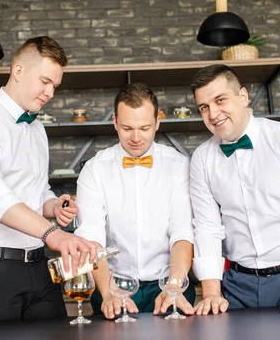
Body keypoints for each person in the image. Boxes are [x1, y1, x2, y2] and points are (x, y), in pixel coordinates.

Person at [0, 36, 96, 322]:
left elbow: (37, 191)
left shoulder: (37, 129)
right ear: (18, 71)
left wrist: (54, 206)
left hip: (37, 268)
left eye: (54, 86)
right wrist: (53, 233)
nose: (50, 92)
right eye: (44, 81)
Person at [189, 64, 280, 317]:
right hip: (236, 284)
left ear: (243, 96)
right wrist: (212, 293)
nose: (213, 114)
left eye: (220, 100)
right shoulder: (202, 158)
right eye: (204, 107)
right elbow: (207, 228)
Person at [74, 83, 196, 319]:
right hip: (112, 284)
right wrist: (108, 290)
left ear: (158, 123)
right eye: (128, 128)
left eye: (145, 128)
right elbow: (91, 237)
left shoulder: (179, 166)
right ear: (115, 122)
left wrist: (174, 284)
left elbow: (182, 232)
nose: (136, 138)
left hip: (167, 284)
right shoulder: (95, 169)